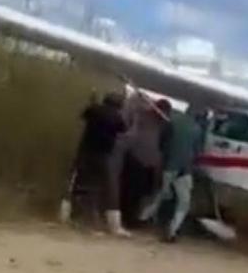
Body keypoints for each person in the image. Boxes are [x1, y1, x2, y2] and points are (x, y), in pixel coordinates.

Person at [58, 90, 129, 235]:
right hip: (103, 156)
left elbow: (84, 114)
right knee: (108, 189)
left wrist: (92, 102)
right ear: (118, 105)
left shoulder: (94, 110)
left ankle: (65, 216)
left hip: (84, 153)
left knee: (75, 184)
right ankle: (113, 226)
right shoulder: (116, 116)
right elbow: (124, 128)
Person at [139, 99, 204, 242]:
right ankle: (172, 231)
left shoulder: (172, 121)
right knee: (184, 202)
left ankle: (143, 219)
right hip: (185, 169)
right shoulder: (198, 129)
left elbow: (162, 143)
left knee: (161, 195)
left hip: (168, 165)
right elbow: (198, 153)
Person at [114, 93, 165, 229]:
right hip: (142, 160)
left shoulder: (144, 117)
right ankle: (129, 219)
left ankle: (128, 217)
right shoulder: (158, 122)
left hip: (137, 158)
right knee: (135, 192)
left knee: (131, 191)